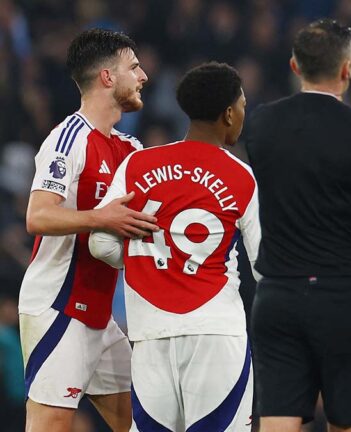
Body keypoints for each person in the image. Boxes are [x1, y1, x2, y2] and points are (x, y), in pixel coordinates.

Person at [244, 19, 351, 432]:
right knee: (349, 421)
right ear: (347, 70)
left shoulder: (261, 126)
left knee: (277, 422)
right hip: (343, 299)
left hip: (277, 295)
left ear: (295, 66)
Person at [89, 62, 256, 431]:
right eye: (242, 105)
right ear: (229, 114)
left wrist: (142, 257)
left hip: (150, 335)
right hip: (216, 334)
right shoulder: (240, 174)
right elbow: (264, 263)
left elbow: (100, 243)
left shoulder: (137, 164)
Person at [18, 28, 156, 432]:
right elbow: (37, 216)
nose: (143, 76)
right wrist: (101, 217)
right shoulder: (67, 139)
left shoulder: (132, 150)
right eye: (133, 67)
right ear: (108, 78)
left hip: (100, 317)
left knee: (147, 421)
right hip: (58, 307)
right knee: (50, 424)